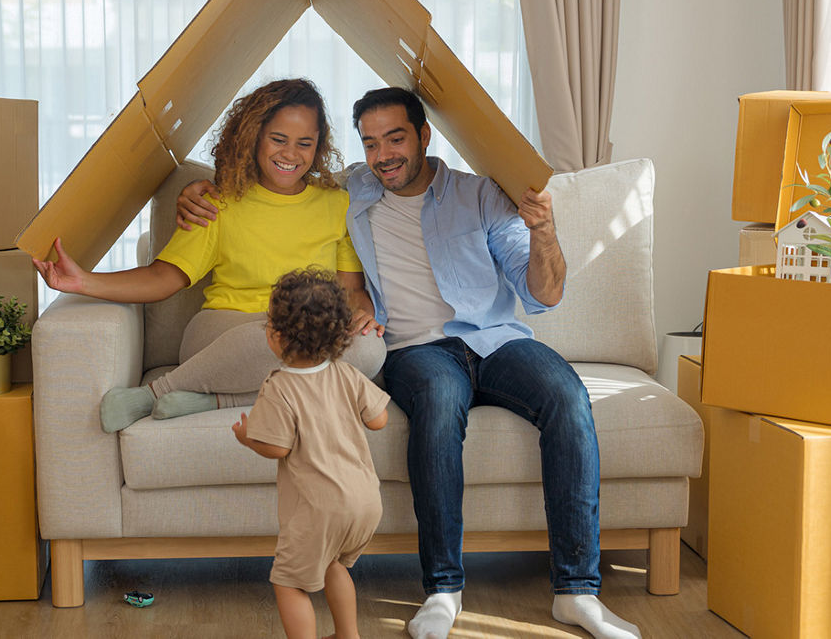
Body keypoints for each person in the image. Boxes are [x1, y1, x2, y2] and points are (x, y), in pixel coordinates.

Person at [177, 87, 640, 639]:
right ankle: (443, 590)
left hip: (497, 341)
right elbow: (281, 172)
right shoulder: (352, 190)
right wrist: (196, 187)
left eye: (395, 138)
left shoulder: (481, 195)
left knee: (567, 395)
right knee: (440, 407)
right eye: (371, 143)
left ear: (423, 135)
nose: (383, 155)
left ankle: (577, 592)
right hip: (414, 349)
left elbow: (545, 293)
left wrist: (543, 230)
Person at [34, 78, 386, 431]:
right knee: (277, 338)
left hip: (301, 336)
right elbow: (163, 277)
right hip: (223, 336)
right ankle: (157, 393)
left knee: (371, 351)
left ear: (318, 147)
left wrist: (363, 317)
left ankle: (216, 400)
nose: (290, 154)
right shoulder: (215, 203)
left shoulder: (337, 203)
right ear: (254, 137)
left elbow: (351, 289)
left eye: (304, 143)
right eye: (279, 140)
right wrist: (83, 281)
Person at [232, 268, 390, 639]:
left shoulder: (279, 386)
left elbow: (277, 447)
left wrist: (247, 437)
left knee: (289, 583)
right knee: (333, 564)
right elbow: (379, 420)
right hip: (365, 502)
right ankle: (347, 635)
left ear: (277, 336)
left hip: (319, 509)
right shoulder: (347, 374)